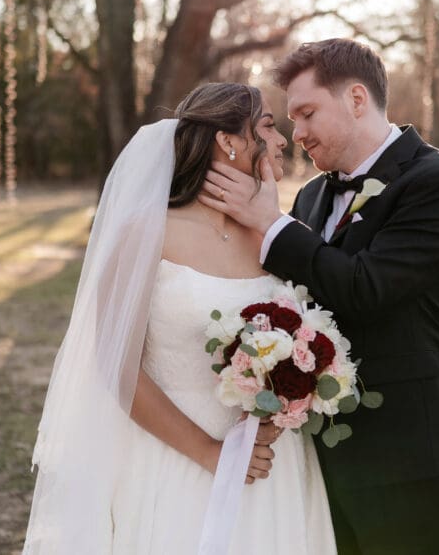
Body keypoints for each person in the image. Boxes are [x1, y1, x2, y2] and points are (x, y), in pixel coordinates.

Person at [22, 82, 336, 554]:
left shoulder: (272, 235)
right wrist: (211, 455)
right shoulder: (145, 234)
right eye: (268, 126)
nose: (282, 140)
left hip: (273, 465)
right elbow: (115, 365)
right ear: (228, 141)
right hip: (176, 460)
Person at [201, 39, 439, 554]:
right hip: (315, 457)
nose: (297, 132)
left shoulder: (436, 181)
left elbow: (365, 288)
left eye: (307, 113)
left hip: (402, 455)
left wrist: (270, 224)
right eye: (290, 118)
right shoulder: (311, 194)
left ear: (356, 99)